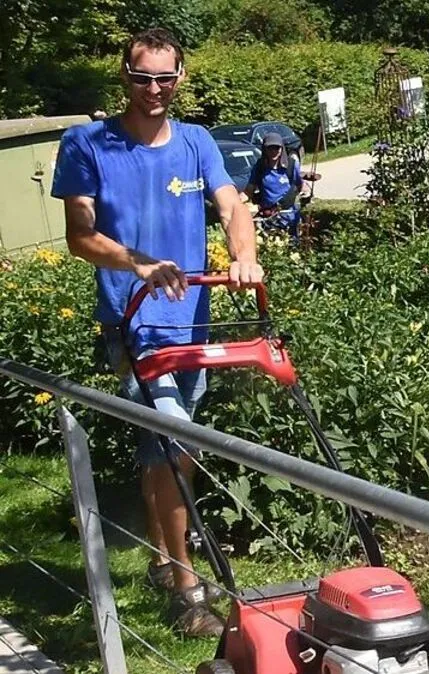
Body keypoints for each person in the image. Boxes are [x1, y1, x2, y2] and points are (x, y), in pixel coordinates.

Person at [51, 27, 262, 636]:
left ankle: (160, 561)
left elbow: (232, 206)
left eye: (164, 78)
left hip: (193, 320)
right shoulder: (87, 144)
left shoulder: (197, 142)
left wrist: (244, 255)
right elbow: (80, 235)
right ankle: (189, 590)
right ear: (125, 75)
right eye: (142, 77)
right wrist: (138, 261)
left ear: (180, 78)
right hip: (133, 321)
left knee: (167, 449)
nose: (153, 89)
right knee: (176, 440)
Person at [245, 132, 306, 243]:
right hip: (269, 218)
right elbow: (248, 191)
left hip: (290, 217)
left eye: (277, 148)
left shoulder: (291, 165)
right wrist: (235, 202)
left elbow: (300, 185)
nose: (273, 151)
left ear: (282, 148)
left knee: (292, 246)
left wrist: (304, 195)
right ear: (264, 149)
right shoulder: (259, 167)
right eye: (270, 148)